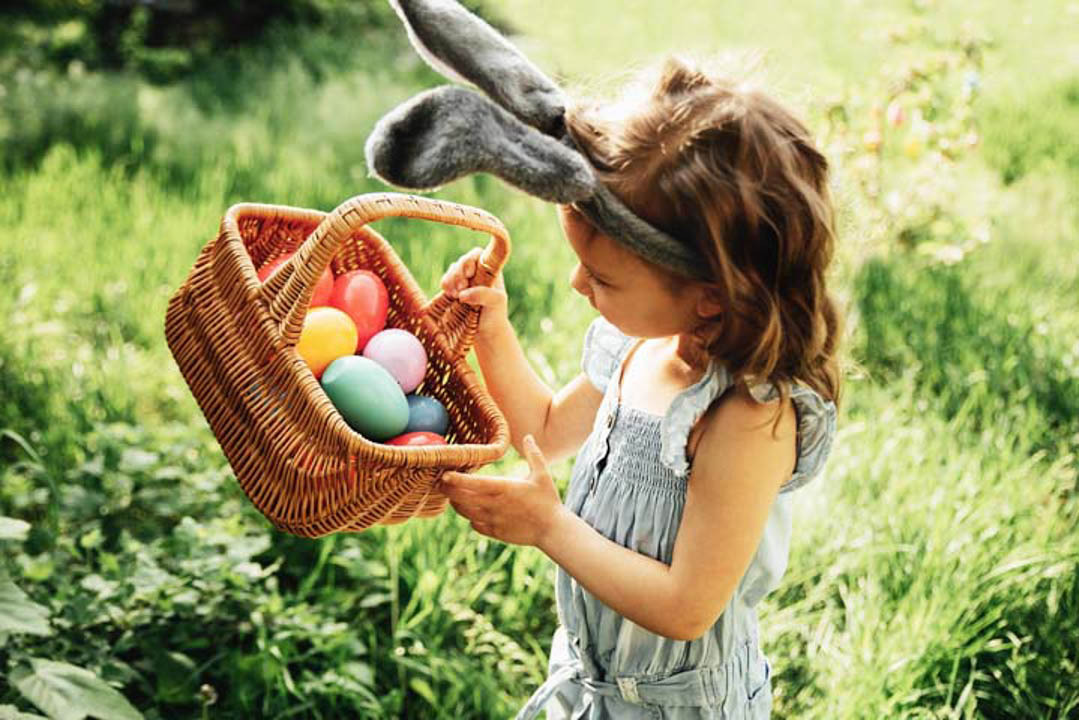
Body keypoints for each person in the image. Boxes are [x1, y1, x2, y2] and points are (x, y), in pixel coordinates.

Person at [435, 55, 842, 719]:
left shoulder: (746, 417)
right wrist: (490, 330)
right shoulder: (640, 346)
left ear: (709, 297)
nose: (577, 286)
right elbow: (541, 429)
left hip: (679, 707)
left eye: (603, 278)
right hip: (591, 681)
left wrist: (547, 526)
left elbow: (685, 607)